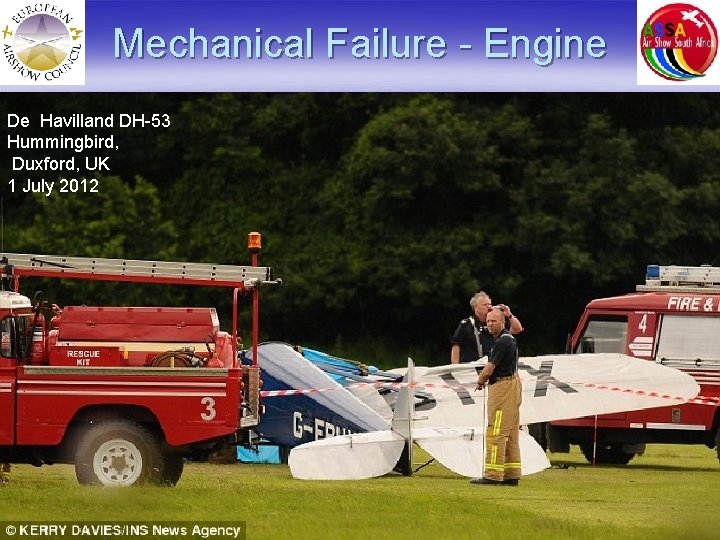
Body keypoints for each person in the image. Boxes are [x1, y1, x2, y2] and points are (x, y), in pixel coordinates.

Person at [471, 308, 522, 486]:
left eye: (493, 321)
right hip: (513, 385)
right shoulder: (508, 338)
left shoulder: (501, 342)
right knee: (512, 432)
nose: (489, 324)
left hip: (502, 388)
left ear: (502, 322)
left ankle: (492, 474)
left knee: (496, 431)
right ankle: (511, 474)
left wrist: (480, 381)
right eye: (487, 321)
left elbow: (490, 368)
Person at [450, 291, 523, 364]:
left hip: (494, 365)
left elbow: (517, 329)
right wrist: (455, 367)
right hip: (472, 368)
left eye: (490, 304)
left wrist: (509, 315)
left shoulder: (497, 321)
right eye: (485, 305)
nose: (489, 307)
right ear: (476, 308)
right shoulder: (467, 324)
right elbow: (456, 345)